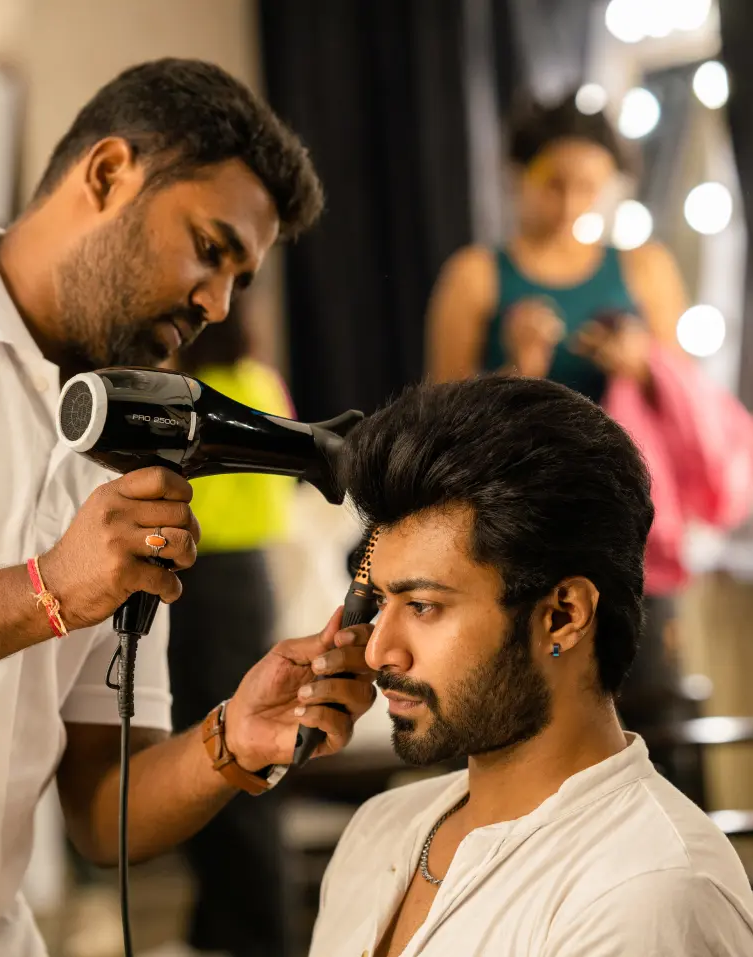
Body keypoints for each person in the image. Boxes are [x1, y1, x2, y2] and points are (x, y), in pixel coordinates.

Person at [0, 58, 377, 957]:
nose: (217, 302)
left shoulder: (135, 440)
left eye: (240, 278)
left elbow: (103, 808)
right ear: (109, 172)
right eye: (210, 248)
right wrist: (46, 592)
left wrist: (233, 739)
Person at [309, 376, 753, 957]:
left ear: (563, 616)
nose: (377, 652)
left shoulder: (646, 895)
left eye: (422, 606)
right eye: (381, 603)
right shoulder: (379, 829)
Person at [424, 93, 695, 790]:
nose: (571, 201)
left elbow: (687, 404)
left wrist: (640, 364)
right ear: (518, 176)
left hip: (630, 529)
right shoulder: (476, 276)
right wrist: (518, 371)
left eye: (589, 185)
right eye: (554, 182)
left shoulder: (643, 267)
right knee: (522, 711)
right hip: (518, 533)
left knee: (653, 711)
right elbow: (436, 431)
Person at [167, 302, 297, 957]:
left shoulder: (194, 396)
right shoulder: (260, 382)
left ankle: (252, 934)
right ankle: (225, 927)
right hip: (243, 581)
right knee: (222, 756)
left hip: (206, 584)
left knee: (221, 756)